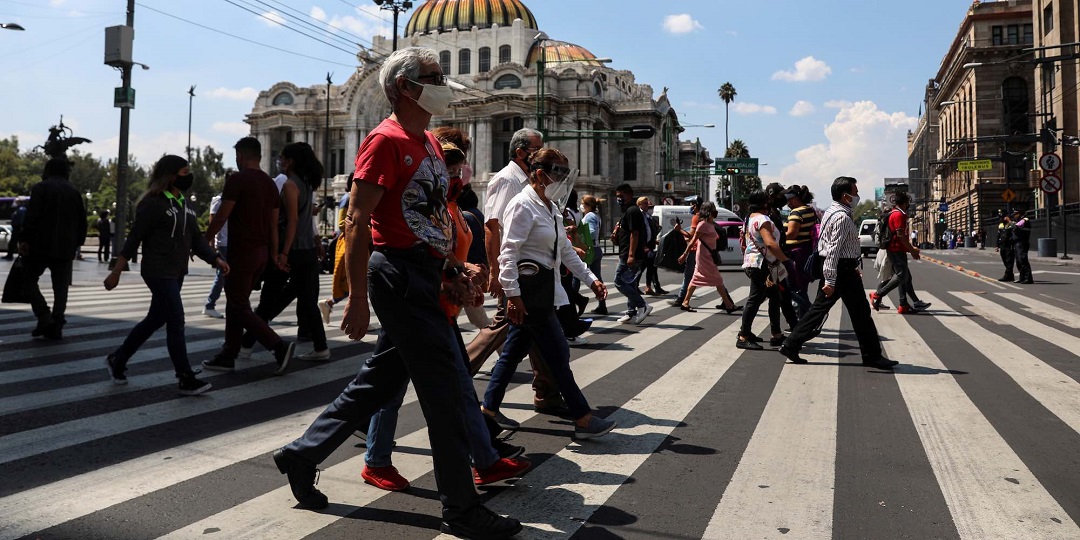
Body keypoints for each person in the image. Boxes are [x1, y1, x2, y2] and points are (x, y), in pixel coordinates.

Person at [272, 47, 522, 539]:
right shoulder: (383, 141)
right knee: (448, 393)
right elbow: (358, 220)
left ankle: (302, 454)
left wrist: (454, 266)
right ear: (404, 87)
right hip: (397, 277)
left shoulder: (427, 141)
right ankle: (461, 508)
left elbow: (426, 219)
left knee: (379, 384)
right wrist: (359, 298)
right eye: (433, 76)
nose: (443, 82)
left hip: (426, 273)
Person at [482, 147, 615, 440]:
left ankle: (487, 411)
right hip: (529, 295)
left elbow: (565, 251)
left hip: (543, 293)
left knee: (513, 353)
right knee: (557, 353)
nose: (562, 180)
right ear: (540, 174)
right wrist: (513, 296)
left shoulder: (550, 207)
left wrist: (590, 278)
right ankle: (582, 416)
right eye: (559, 173)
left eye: (565, 174)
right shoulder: (522, 205)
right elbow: (508, 253)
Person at [103, 155, 229, 395]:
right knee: (176, 319)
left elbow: (197, 240)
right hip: (157, 270)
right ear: (171, 175)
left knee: (155, 319)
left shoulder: (186, 204)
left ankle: (118, 359)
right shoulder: (152, 203)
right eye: (184, 172)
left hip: (177, 271)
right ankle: (185, 377)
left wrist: (216, 259)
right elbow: (134, 238)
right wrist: (116, 271)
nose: (188, 176)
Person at [466, 127, 566, 417]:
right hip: (516, 274)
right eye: (537, 148)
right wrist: (498, 272)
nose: (541, 153)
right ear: (521, 152)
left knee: (536, 330)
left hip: (533, 274)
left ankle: (547, 392)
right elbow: (492, 226)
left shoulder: (528, 180)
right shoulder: (507, 179)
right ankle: (459, 374)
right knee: (503, 328)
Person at [779, 177, 898, 370]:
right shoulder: (842, 217)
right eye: (855, 192)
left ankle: (791, 344)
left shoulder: (832, 211)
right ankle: (872, 356)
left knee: (818, 310)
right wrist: (831, 279)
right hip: (840, 271)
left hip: (840, 269)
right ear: (845, 196)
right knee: (860, 313)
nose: (857, 196)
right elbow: (833, 250)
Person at [201, 137, 295, 375]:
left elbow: (222, 215)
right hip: (262, 253)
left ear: (241, 156)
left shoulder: (237, 179)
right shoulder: (270, 183)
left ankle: (278, 346)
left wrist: (205, 239)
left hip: (242, 252)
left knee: (239, 305)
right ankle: (228, 354)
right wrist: (273, 254)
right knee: (236, 302)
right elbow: (274, 225)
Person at [239, 142, 331, 361]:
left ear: (290, 162)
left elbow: (293, 221)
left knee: (268, 299)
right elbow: (306, 220)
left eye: (282, 158)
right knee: (308, 301)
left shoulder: (290, 185)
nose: (279, 161)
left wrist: (284, 253)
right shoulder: (308, 184)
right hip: (307, 251)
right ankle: (321, 347)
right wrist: (316, 240)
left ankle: (245, 345)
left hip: (293, 251)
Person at [19, 157, 87, 340]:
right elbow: (82, 222)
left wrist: (25, 239)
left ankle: (43, 315)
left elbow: (32, 217)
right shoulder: (74, 192)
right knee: (61, 287)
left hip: (39, 244)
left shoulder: (41, 188)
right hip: (65, 247)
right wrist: (76, 243)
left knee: (28, 281)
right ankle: (56, 323)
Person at [737, 191, 789, 350]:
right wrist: (786, 261)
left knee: (775, 296)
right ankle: (743, 336)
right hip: (762, 265)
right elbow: (771, 243)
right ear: (766, 204)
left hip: (754, 263)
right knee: (755, 299)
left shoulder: (750, 218)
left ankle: (777, 334)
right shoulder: (763, 220)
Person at [869, 192, 931, 314]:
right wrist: (912, 250)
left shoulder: (893, 213)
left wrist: (910, 248)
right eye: (908, 202)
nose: (908, 205)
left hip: (896, 249)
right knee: (901, 275)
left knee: (906, 277)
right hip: (896, 250)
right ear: (905, 203)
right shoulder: (899, 215)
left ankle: (904, 304)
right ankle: (877, 295)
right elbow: (901, 236)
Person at [678, 201, 739, 313]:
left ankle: (685, 302)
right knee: (718, 279)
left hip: (708, 255)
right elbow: (693, 241)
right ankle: (729, 305)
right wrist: (685, 254)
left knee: (696, 278)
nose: (715, 211)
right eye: (713, 209)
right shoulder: (702, 225)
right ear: (708, 211)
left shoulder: (710, 224)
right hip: (704, 256)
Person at [613, 183, 652, 324]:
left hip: (631, 255)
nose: (618, 199)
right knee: (630, 283)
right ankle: (631, 312)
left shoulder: (632, 211)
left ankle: (643, 305)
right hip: (628, 252)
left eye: (620, 196)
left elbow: (634, 234)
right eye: (617, 196)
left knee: (619, 282)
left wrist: (630, 255)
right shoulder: (628, 211)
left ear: (628, 195)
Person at [783, 185, 817, 317]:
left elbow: (791, 233)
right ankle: (804, 318)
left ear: (796, 198)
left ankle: (808, 314)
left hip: (796, 254)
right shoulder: (810, 210)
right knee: (801, 286)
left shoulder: (797, 213)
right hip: (806, 251)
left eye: (790, 199)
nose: (788, 203)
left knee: (793, 288)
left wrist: (776, 236)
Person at [319, 189, 351, 325]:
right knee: (354, 283)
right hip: (351, 244)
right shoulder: (349, 197)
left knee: (356, 284)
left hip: (356, 243)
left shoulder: (349, 197)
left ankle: (330, 303)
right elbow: (341, 224)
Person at [671, 195, 702, 307]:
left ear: (695, 205)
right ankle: (683, 299)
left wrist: (679, 230)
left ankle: (681, 299)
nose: (690, 207)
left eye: (691, 204)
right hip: (702, 249)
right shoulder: (704, 217)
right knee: (712, 275)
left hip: (695, 250)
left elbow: (692, 236)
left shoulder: (696, 217)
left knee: (688, 275)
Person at [202, 193, 228, 319]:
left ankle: (210, 304)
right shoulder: (218, 199)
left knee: (225, 274)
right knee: (222, 273)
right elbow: (213, 221)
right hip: (223, 243)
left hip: (231, 242)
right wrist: (211, 243)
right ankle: (209, 305)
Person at [580, 194, 607, 315]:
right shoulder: (596, 215)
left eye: (583, 204)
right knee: (597, 278)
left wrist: (581, 240)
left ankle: (572, 302)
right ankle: (602, 305)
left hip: (590, 250)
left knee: (577, 276)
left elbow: (591, 232)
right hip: (596, 249)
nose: (581, 206)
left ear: (588, 205)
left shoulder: (590, 216)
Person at [638, 197, 666, 296]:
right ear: (640, 204)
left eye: (650, 205)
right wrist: (643, 245)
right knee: (641, 268)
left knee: (650, 266)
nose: (648, 207)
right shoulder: (639, 216)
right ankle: (635, 285)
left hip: (650, 245)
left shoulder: (647, 216)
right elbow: (639, 233)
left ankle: (649, 287)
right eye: (646, 204)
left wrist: (654, 241)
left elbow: (649, 230)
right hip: (643, 247)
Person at [1011, 209, 1033, 284]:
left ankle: (1028, 278)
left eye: (1015, 214)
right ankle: (1022, 277)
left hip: (1022, 242)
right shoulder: (1018, 220)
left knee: (1023, 260)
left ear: (1020, 214)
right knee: (1018, 261)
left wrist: (1010, 222)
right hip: (1017, 243)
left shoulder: (1025, 220)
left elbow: (1016, 227)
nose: (1014, 216)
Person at [995, 213, 1017, 282]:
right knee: (1004, 260)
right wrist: (997, 245)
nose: (1001, 219)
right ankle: (1010, 276)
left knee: (1009, 261)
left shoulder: (1011, 224)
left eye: (1003, 217)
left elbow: (1015, 227)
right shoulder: (1001, 225)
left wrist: (1009, 220)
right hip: (1002, 245)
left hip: (1009, 245)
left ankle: (1007, 275)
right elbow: (998, 236)